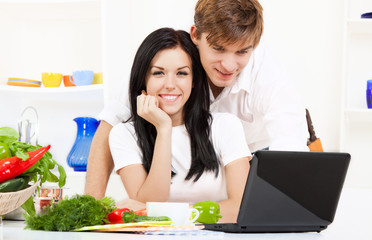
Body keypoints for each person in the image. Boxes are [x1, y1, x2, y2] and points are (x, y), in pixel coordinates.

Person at [85, 0, 308, 200]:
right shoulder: (170, 57)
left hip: (253, 160)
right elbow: (109, 125)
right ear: (195, 36)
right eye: (218, 49)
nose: (229, 66)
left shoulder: (269, 78)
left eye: (242, 52)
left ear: (254, 46)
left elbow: (291, 147)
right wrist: (90, 212)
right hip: (180, 167)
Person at [109, 28, 251, 222]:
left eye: (182, 73)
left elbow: (240, 208)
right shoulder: (123, 134)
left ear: (193, 81)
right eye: (158, 73)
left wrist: (166, 212)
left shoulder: (225, 126)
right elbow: (152, 202)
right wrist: (164, 129)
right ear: (143, 78)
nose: (170, 84)